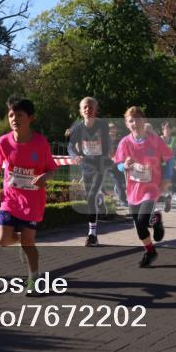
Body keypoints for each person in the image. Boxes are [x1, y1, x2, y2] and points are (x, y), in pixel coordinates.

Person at [0, 98, 58, 290]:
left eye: (19, 115)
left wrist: (45, 176)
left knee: (29, 242)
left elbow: (52, 168)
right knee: (1, 239)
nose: (14, 119)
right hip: (11, 199)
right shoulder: (3, 142)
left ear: (31, 118)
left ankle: (34, 280)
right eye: (11, 115)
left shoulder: (40, 143)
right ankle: (22, 242)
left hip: (33, 201)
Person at [113, 106, 174, 267]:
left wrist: (167, 178)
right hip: (133, 190)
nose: (134, 123)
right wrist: (123, 166)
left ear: (144, 121)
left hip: (151, 188)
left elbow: (169, 158)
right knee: (139, 226)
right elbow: (118, 163)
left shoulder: (154, 140)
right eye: (131, 120)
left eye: (137, 119)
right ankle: (151, 250)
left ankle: (153, 221)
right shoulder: (125, 142)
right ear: (127, 124)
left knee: (141, 221)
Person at [68, 97, 110, 246]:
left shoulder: (102, 126)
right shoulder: (78, 128)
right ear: (81, 111)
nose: (88, 109)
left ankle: (92, 234)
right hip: (86, 167)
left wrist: (104, 157)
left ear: (95, 109)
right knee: (90, 198)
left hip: (99, 166)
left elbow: (107, 145)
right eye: (85, 107)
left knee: (91, 197)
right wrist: (75, 156)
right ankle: (99, 199)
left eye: (91, 107)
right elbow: (70, 147)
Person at [106, 122, 127, 203]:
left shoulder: (120, 140)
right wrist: (111, 158)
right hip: (110, 166)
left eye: (114, 129)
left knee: (124, 181)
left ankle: (118, 190)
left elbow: (123, 151)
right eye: (111, 129)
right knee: (118, 181)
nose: (113, 131)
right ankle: (123, 200)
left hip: (120, 164)